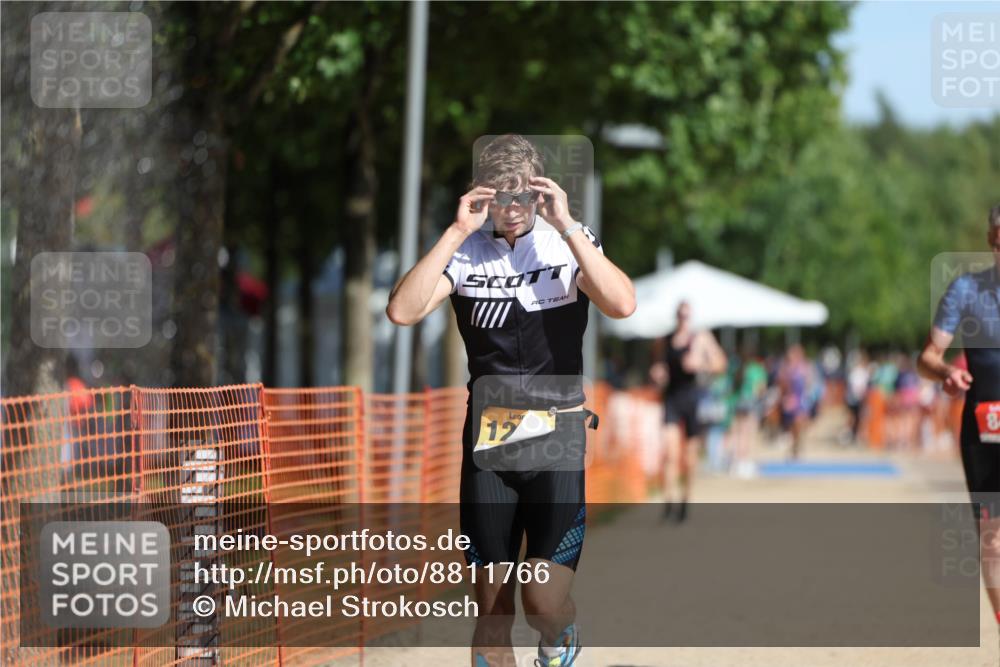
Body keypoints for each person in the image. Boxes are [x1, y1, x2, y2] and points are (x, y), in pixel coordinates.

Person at [386, 134, 635, 667]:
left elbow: (622, 304)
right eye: (501, 196)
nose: (513, 208)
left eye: (523, 195)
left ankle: (560, 634)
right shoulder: (465, 252)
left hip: (557, 440)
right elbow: (402, 312)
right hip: (489, 445)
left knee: (542, 601)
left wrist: (568, 225)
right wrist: (455, 231)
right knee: (492, 612)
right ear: (482, 194)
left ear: (541, 192)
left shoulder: (564, 243)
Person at [917, 203, 1000, 639]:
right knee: (992, 536)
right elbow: (927, 358)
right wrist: (947, 372)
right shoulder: (966, 290)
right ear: (991, 241)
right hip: (985, 429)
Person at [649, 301, 727, 523]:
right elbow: (656, 365)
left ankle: (685, 500)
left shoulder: (701, 338)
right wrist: (657, 373)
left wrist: (701, 364)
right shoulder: (665, 340)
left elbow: (721, 364)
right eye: (680, 315)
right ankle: (668, 503)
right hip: (672, 399)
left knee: (690, 458)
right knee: (670, 453)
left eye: (686, 315)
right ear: (676, 316)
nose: (683, 319)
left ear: (690, 317)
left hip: (693, 400)